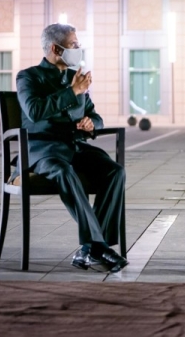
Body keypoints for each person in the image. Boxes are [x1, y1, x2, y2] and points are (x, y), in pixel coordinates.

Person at [16, 23, 128, 273]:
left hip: (75, 147)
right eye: (74, 45)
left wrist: (91, 123)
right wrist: (72, 91)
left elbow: (94, 115)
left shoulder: (73, 77)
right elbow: (34, 111)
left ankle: (91, 248)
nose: (79, 49)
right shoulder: (29, 77)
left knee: (115, 171)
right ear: (56, 48)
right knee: (64, 172)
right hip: (44, 151)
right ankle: (99, 247)